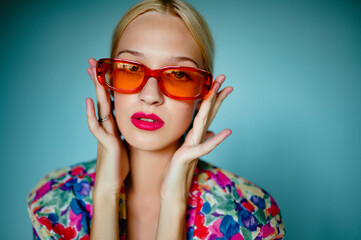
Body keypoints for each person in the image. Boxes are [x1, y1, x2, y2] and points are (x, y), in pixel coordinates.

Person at [26, 0, 285, 239]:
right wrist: (105, 195)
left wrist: (174, 202)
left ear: (204, 95)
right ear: (108, 81)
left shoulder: (249, 213)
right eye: (131, 69)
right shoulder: (57, 199)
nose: (150, 96)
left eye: (179, 75)